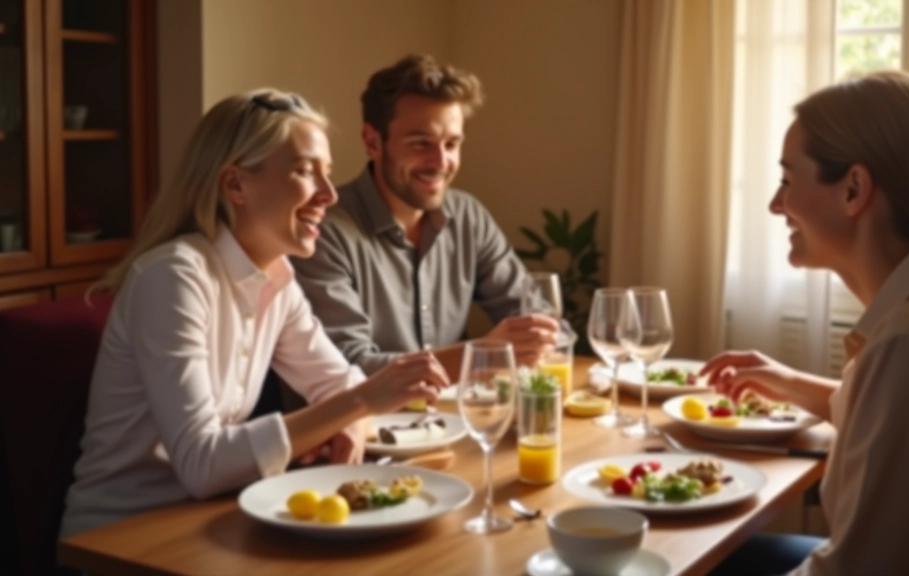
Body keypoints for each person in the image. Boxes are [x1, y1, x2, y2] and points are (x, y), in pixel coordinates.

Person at [60, 89, 449, 538]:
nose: (328, 195)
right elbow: (202, 465)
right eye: (305, 172)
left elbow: (340, 384)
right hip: (122, 540)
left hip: (209, 522)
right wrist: (356, 405)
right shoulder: (172, 277)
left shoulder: (276, 277)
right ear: (235, 184)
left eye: (328, 174)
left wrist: (350, 422)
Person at [703, 70, 909, 574]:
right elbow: (902, 423)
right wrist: (789, 383)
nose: (775, 204)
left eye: (787, 180)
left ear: (853, 189)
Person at [289, 54, 559, 379]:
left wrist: (540, 339)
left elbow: (539, 318)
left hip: (450, 421)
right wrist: (486, 354)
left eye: (452, 144)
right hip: (362, 429)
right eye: (421, 144)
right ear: (373, 142)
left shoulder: (468, 216)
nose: (441, 162)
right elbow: (347, 368)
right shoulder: (323, 232)